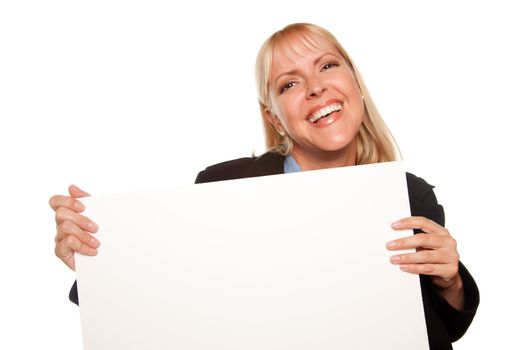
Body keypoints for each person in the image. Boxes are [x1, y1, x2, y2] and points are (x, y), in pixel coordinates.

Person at [50, 23, 479, 349]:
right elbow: (176, 306)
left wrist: (451, 284)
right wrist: (96, 262)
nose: (315, 88)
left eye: (328, 66)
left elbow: (432, 334)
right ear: (276, 118)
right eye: (289, 84)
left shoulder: (410, 195)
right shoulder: (222, 186)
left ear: (356, 87)